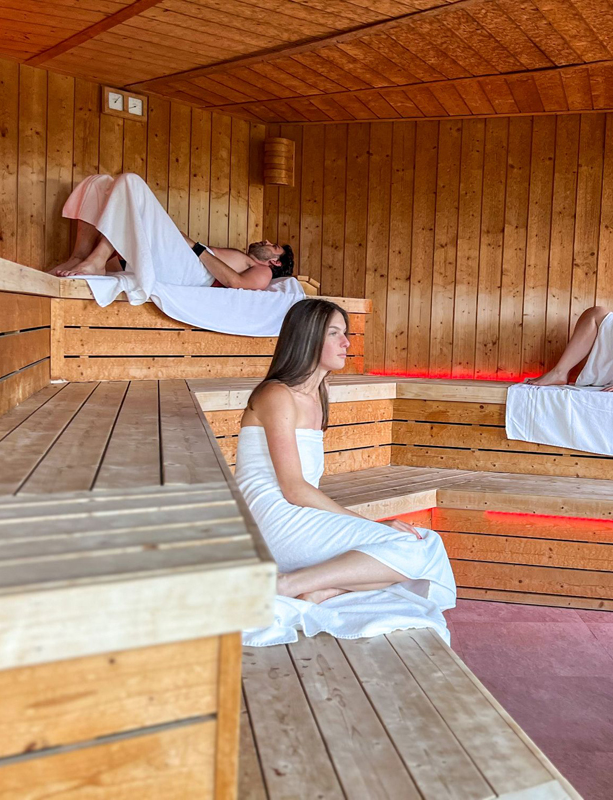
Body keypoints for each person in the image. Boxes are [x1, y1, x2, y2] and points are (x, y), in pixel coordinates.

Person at [235, 299, 455, 635]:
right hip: (272, 521)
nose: (347, 343)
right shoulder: (276, 395)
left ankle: (322, 590)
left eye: (345, 333)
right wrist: (371, 524)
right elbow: (294, 488)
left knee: (427, 542)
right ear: (308, 338)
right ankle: (287, 584)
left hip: (297, 517)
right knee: (413, 548)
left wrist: (373, 529)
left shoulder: (317, 396)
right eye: (334, 333)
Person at [48, 172, 294, 294]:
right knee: (99, 182)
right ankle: (80, 256)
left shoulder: (263, 272)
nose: (266, 241)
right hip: (184, 259)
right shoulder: (244, 258)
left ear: (275, 262)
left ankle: (97, 260)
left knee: (132, 182)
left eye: (273, 246)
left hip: (194, 272)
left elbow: (237, 283)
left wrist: (195, 247)